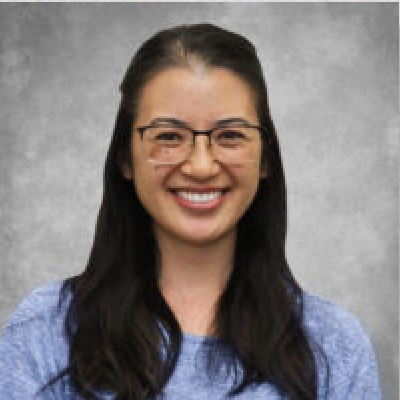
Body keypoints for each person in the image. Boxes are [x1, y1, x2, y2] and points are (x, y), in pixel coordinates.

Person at [0, 23, 381, 400]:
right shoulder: (45, 330)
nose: (201, 166)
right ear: (124, 159)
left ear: (266, 158)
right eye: (168, 136)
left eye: (230, 135)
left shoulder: (335, 348)